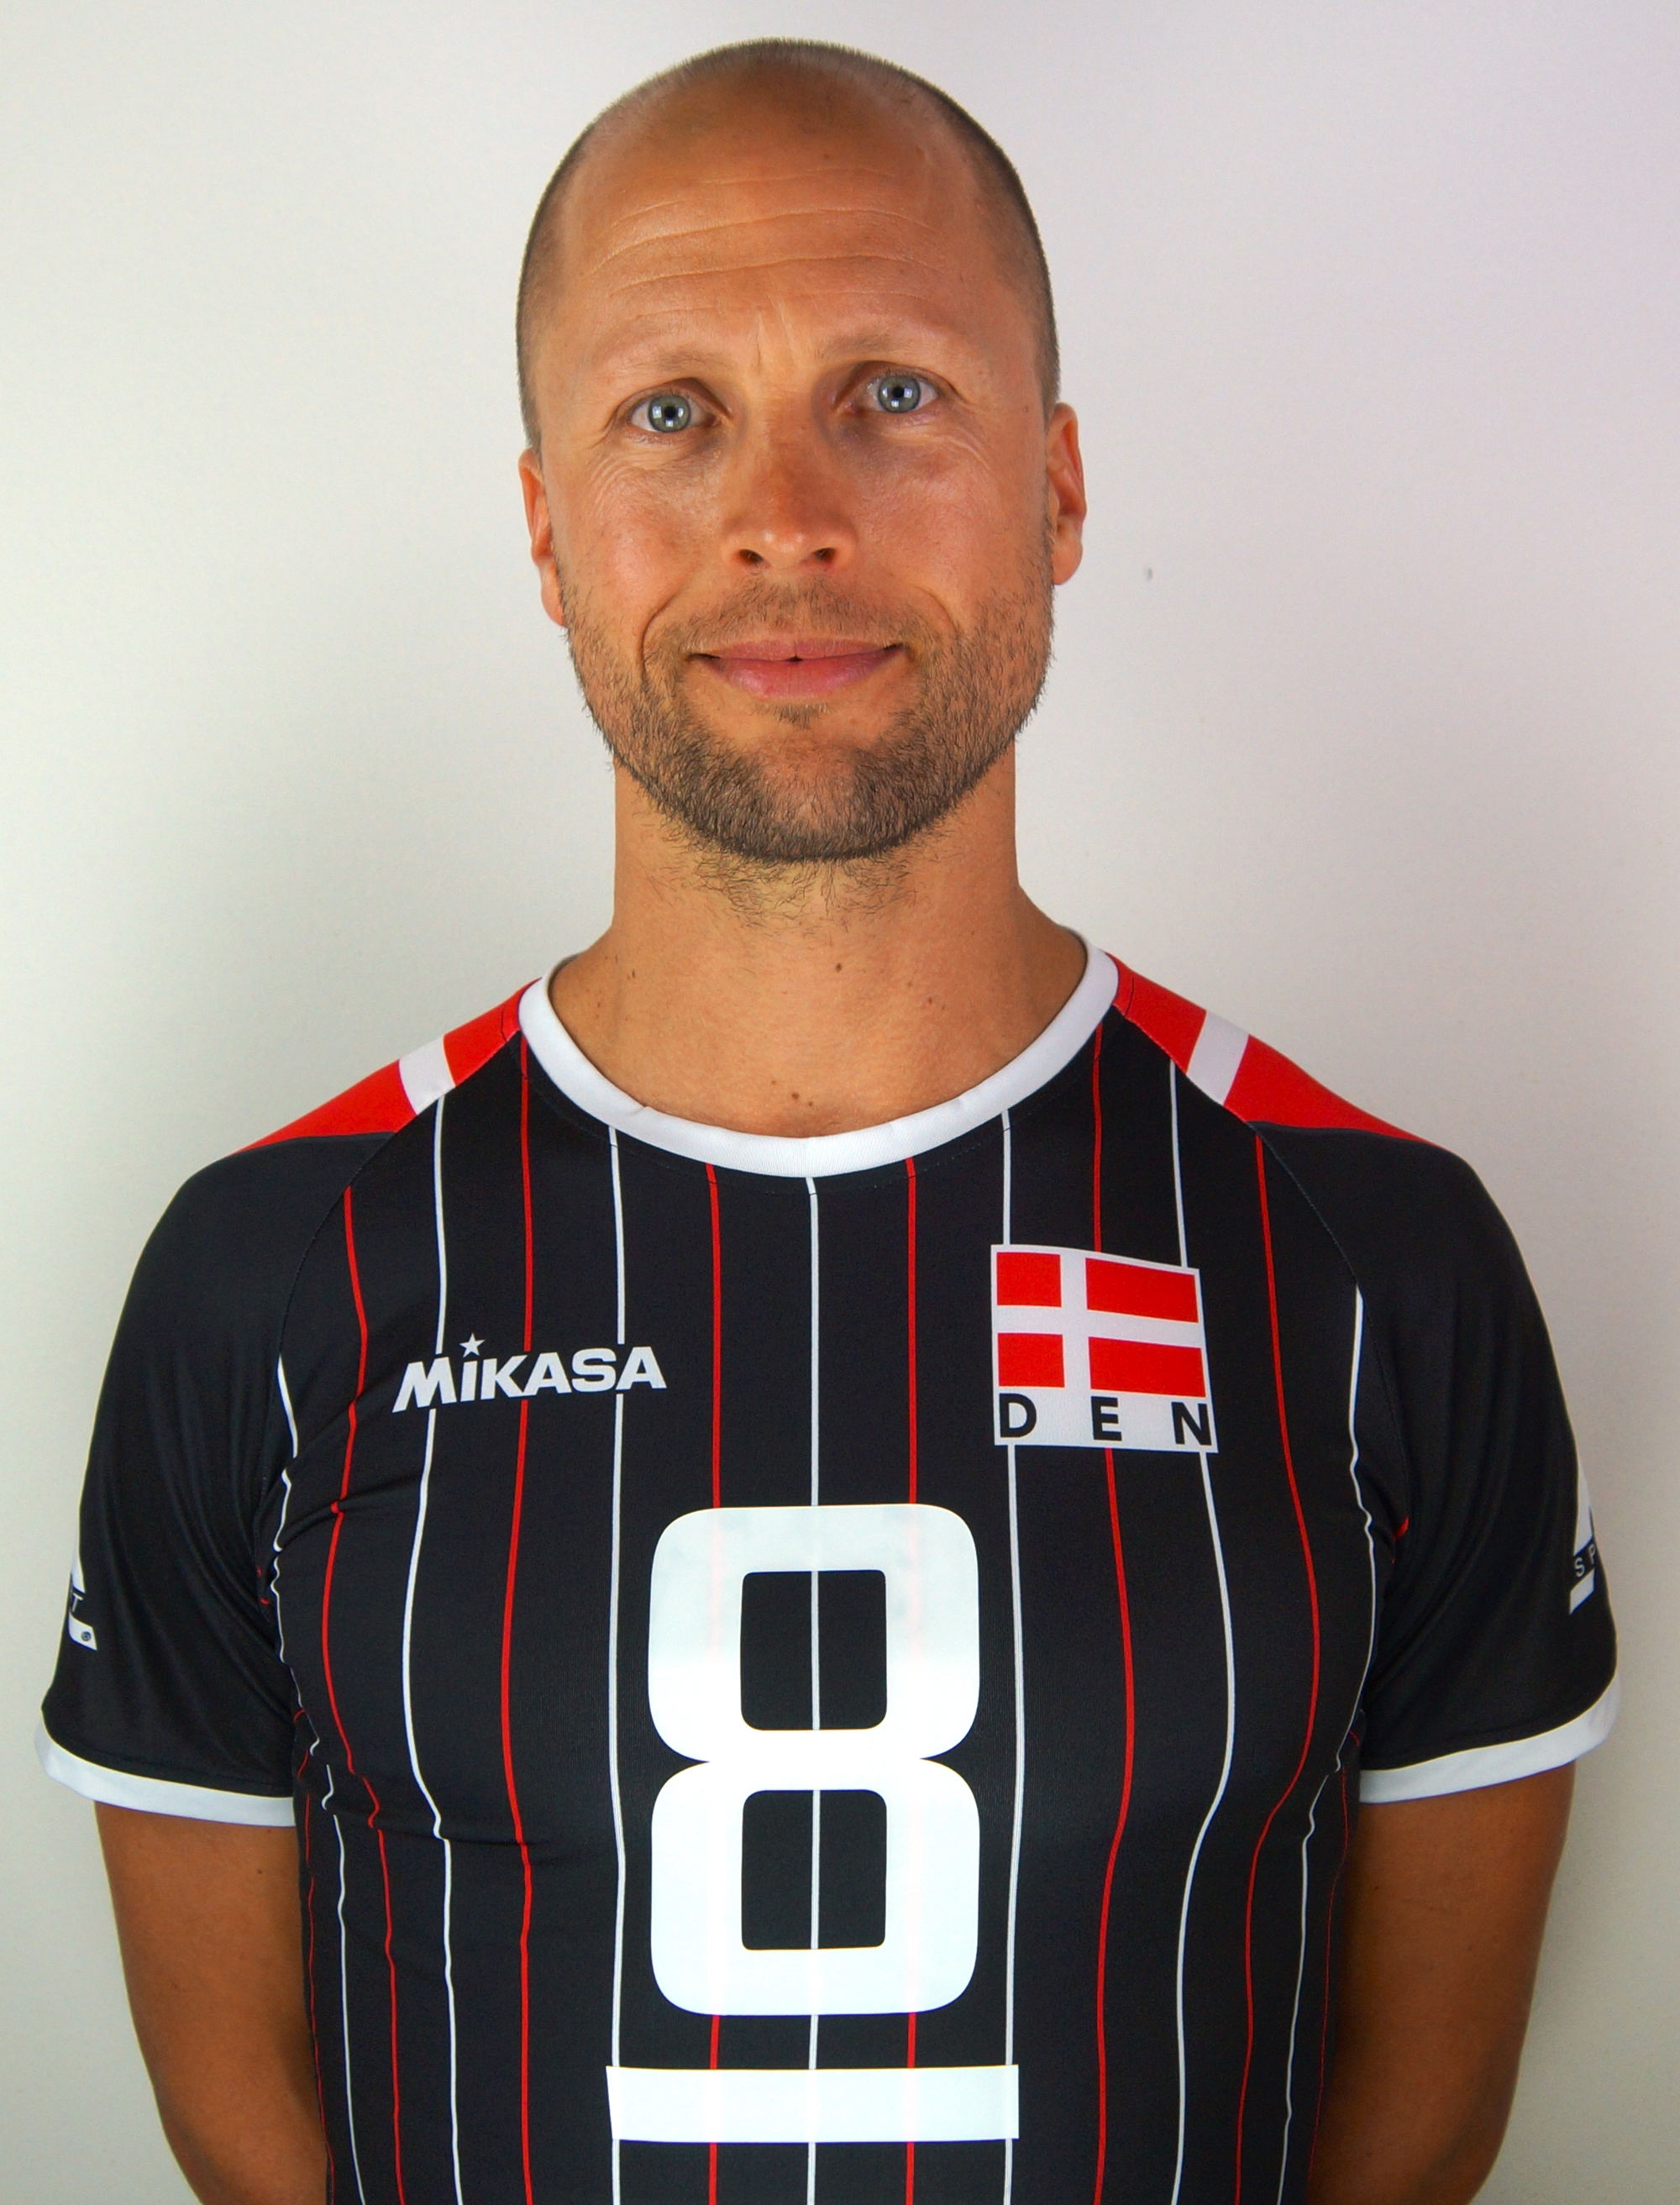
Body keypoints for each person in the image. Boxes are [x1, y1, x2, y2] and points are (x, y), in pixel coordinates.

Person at [39, 38, 1616, 2205]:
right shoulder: (268, 1274)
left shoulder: (1379, 1259)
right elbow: (244, 2104)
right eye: (669, 413)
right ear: (548, 530)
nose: (785, 512)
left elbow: (1414, 2121)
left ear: (1059, 488)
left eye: (892, 391)